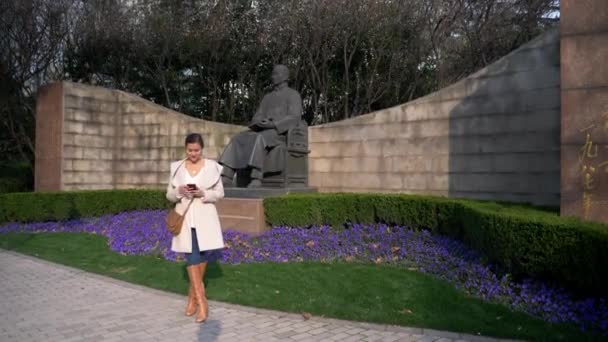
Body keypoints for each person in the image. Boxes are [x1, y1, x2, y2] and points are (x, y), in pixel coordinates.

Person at [166, 133, 225, 323]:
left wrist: (203, 193)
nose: (193, 153)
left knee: (199, 256)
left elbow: (220, 193)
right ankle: (202, 302)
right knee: (192, 257)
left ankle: (193, 300)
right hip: (184, 218)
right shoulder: (177, 168)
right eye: (190, 150)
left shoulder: (212, 168)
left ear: (202, 149)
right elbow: (169, 195)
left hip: (204, 218)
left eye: (196, 150)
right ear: (186, 148)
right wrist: (178, 191)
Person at [218, 64, 303, 188]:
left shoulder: (293, 95)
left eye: (276, 74)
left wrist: (274, 124)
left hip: (280, 134)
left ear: (285, 77)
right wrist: (259, 122)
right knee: (238, 138)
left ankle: (256, 177)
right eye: (273, 74)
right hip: (264, 130)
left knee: (260, 138)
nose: (272, 77)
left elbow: (295, 117)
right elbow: (257, 115)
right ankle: (227, 176)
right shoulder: (267, 97)